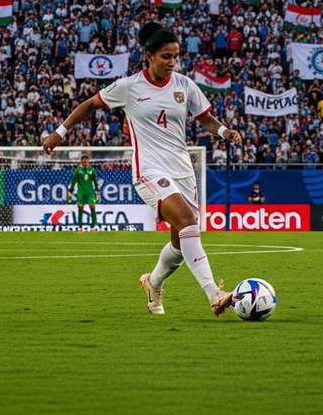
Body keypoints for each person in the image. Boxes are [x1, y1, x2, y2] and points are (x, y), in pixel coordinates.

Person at [43, 22, 242, 317]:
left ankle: (152, 283)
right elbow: (89, 105)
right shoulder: (129, 87)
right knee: (187, 220)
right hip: (148, 169)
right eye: (165, 56)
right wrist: (61, 131)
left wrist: (225, 132)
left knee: (180, 241)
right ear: (149, 56)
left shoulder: (185, 85)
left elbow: (206, 119)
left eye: (175, 56)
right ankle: (214, 293)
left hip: (182, 169)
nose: (172, 62)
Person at [67, 154, 100, 232]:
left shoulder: (92, 170)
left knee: (92, 208)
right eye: (83, 163)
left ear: (88, 162)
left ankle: (92, 227)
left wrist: (98, 192)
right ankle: (80, 228)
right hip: (81, 192)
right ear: (81, 162)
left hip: (90, 192)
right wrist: (70, 191)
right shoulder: (78, 171)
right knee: (80, 209)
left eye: (86, 162)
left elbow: (95, 182)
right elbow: (74, 181)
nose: (85, 164)